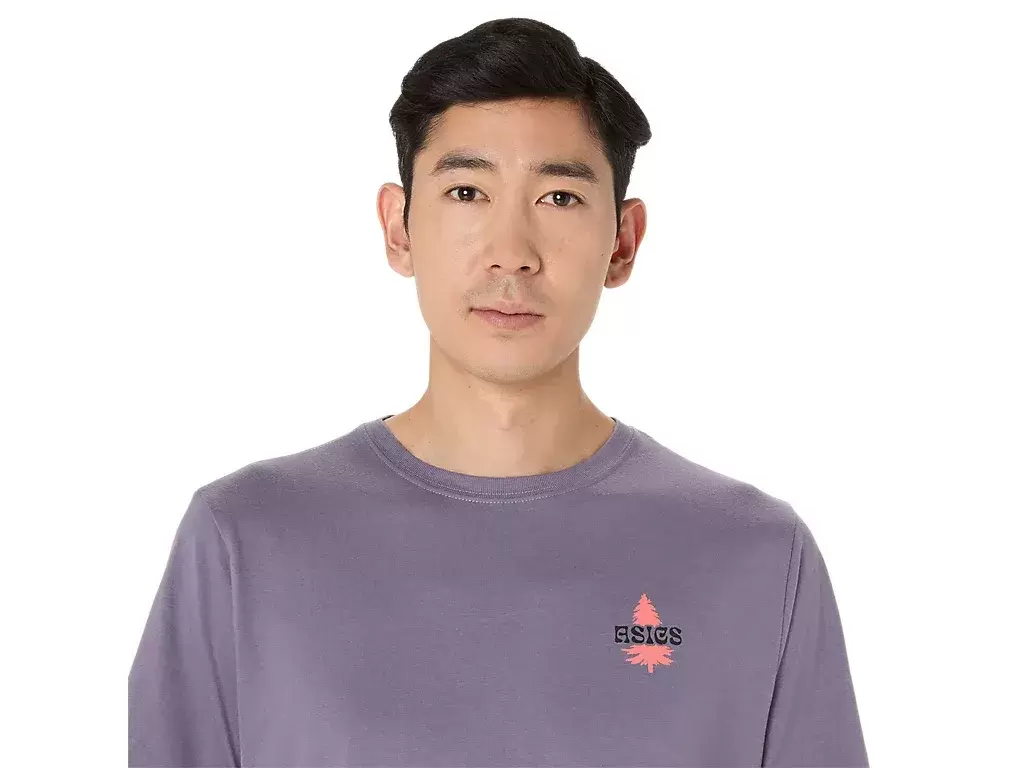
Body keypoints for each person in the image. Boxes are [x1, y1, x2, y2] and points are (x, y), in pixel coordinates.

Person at [128, 17, 869, 768]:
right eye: (466, 191)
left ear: (623, 242)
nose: (511, 253)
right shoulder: (243, 542)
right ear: (398, 229)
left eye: (560, 198)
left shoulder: (756, 556)